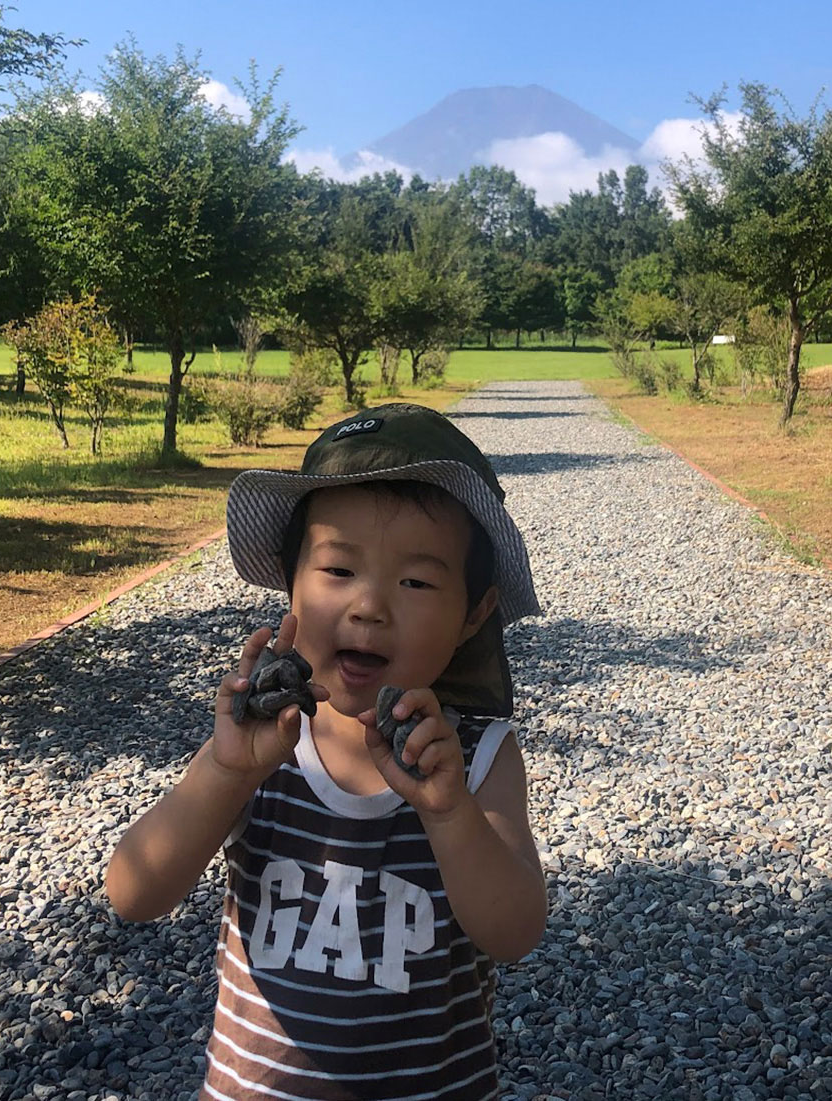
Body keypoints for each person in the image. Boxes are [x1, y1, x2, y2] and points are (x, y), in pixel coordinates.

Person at [105, 403, 546, 1100]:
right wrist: (224, 772)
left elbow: (515, 929)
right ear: (292, 586)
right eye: (338, 569)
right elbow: (133, 891)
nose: (370, 605)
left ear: (474, 613)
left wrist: (451, 813)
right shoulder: (260, 743)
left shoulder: (476, 757)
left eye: (416, 582)